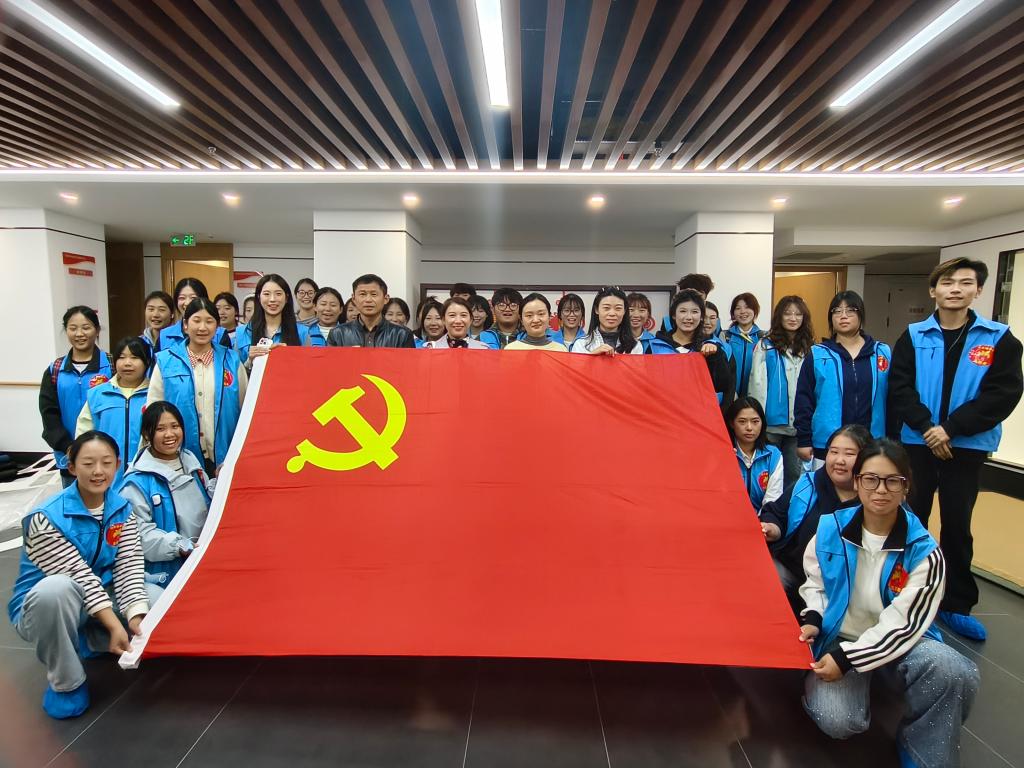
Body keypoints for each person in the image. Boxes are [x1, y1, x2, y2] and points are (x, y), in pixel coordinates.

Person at [799, 439, 979, 768]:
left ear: (906, 486)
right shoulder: (829, 529)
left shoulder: (925, 552)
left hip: (901, 644)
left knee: (952, 669)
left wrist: (849, 659)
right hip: (841, 638)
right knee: (837, 721)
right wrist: (813, 616)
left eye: (892, 481)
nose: (881, 490)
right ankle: (870, 680)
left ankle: (921, 746)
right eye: (870, 479)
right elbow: (817, 582)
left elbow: (905, 625)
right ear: (857, 482)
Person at [889, 256, 1023, 641]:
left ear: (978, 290)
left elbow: (1002, 394)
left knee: (957, 523)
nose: (955, 289)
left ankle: (956, 602)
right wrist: (928, 429)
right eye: (947, 283)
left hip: (967, 445)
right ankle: (902, 593)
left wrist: (949, 430)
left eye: (965, 283)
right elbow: (900, 387)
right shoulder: (913, 336)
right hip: (918, 442)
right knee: (910, 518)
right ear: (934, 290)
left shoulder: (999, 338)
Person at [7, 431, 148, 719]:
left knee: (154, 602)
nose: (98, 471)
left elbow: (129, 566)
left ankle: (92, 637)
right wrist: (115, 625)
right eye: (88, 463)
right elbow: (79, 576)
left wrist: (136, 616)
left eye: (106, 462)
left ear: (117, 464)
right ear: (71, 467)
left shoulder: (123, 509)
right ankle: (66, 683)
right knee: (55, 590)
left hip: (96, 598)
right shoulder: (45, 517)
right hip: (48, 608)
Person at [119, 401, 211, 605]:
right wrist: (178, 545)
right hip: (168, 572)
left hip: (201, 561)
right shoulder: (136, 481)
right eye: (160, 429)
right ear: (146, 434)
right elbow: (139, 534)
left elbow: (207, 499)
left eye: (175, 426)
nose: (169, 434)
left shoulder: (189, 459)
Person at [148, 298, 247, 476]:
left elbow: (245, 409)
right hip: (179, 457)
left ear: (217, 326)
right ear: (185, 325)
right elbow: (153, 411)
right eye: (196, 321)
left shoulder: (231, 360)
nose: (202, 327)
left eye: (209, 321)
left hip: (226, 456)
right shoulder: (166, 361)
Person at [767, 424, 872, 592]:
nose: (839, 460)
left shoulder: (876, 498)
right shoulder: (807, 484)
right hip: (792, 575)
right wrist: (774, 528)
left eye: (849, 454)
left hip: (847, 588)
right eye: (834, 452)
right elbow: (775, 513)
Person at [795, 291, 890, 467]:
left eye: (850, 310)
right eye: (837, 311)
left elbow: (892, 399)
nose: (843, 316)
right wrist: (804, 439)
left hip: (873, 443)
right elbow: (804, 399)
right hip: (827, 444)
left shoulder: (881, 352)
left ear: (861, 315)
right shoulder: (818, 354)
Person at [39, 306, 112, 485]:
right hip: (68, 454)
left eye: (86, 327)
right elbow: (49, 414)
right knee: (73, 499)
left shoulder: (112, 365)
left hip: (105, 452)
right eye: (73, 328)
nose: (79, 334)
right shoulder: (55, 370)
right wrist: (68, 446)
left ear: (97, 330)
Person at [749, 295, 815, 492]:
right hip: (771, 425)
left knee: (794, 475)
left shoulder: (811, 348)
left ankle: (789, 510)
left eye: (798, 314)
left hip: (799, 425)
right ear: (779, 316)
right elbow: (756, 384)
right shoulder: (765, 345)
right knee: (767, 474)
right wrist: (757, 420)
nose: (793, 318)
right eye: (787, 313)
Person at [75, 336, 150, 484]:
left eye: (134, 357)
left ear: (147, 362)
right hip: (104, 474)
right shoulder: (98, 394)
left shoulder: (155, 395)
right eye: (121, 357)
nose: (127, 363)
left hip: (145, 473)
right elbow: (83, 433)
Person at [655, 289, 735, 405]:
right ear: (673, 315)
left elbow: (723, 385)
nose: (689, 317)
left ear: (701, 316)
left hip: (698, 412)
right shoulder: (655, 346)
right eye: (683, 311)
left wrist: (715, 356)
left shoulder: (711, 347)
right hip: (665, 410)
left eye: (694, 312)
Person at [725, 397, 783, 521]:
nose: (749, 428)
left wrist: (760, 522)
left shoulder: (773, 455)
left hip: (762, 521)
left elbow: (772, 499)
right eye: (742, 421)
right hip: (727, 518)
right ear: (731, 423)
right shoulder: (724, 453)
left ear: (762, 423)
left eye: (755, 421)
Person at [235, 274, 311, 365]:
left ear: (286, 298)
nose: (272, 299)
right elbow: (234, 371)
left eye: (278, 294)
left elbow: (309, 368)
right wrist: (249, 361)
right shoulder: (242, 332)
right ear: (259, 297)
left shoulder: (303, 332)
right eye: (266, 294)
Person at [328, 274, 416, 348]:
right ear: (353, 299)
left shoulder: (402, 334)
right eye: (362, 294)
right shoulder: (338, 334)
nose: (368, 300)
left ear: (386, 298)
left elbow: (407, 363)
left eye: (374, 294)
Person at [159, 278, 230, 350]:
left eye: (193, 298)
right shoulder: (164, 335)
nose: (187, 303)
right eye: (182, 298)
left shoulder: (220, 334)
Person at [571, 287, 642, 355]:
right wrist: (592, 356)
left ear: (624, 311)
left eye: (618, 308)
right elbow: (575, 364)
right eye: (606, 308)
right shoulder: (581, 344)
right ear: (596, 309)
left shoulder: (635, 345)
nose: (612, 313)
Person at [724, 293, 763, 398]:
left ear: (755, 311)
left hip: (754, 397)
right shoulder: (725, 336)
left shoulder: (763, 338)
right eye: (738, 308)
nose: (742, 311)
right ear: (733, 313)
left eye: (747, 307)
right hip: (730, 396)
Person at [424, 298, 490, 349]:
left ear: (470, 320)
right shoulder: (430, 349)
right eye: (452, 315)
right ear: (443, 320)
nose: (458, 321)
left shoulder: (483, 349)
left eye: (463, 315)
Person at [140, 290, 174, 356]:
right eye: (151, 309)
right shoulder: (139, 342)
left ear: (172, 314)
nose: (155, 315)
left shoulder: (178, 341)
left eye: (161, 310)